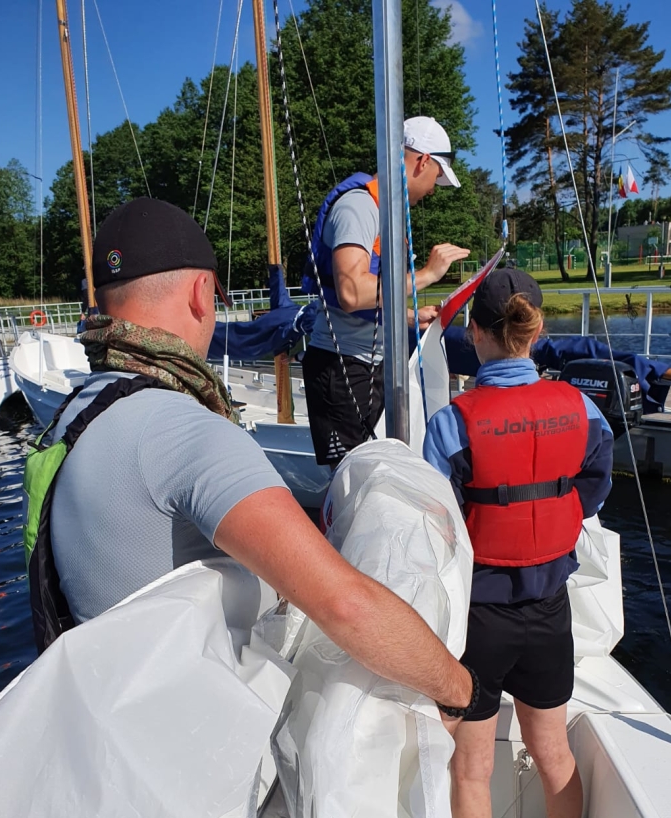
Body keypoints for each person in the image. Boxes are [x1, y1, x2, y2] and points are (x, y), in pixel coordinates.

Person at [30, 197, 477, 724]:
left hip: (105, 719)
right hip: (192, 748)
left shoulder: (73, 414)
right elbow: (345, 605)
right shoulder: (182, 428)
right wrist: (460, 687)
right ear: (202, 293)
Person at [423, 269, 614, 818]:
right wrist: (550, 519)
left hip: (481, 617)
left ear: (474, 333)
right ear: (534, 334)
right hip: (549, 609)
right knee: (551, 746)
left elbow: (437, 522)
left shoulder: (453, 423)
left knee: (473, 769)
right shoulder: (582, 408)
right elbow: (591, 488)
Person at [301, 116, 470, 467]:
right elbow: (350, 291)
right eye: (436, 175)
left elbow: (369, 298)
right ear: (422, 161)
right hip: (342, 367)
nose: (434, 188)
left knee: (374, 474)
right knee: (350, 483)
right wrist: (426, 275)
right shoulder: (359, 207)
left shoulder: (386, 213)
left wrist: (409, 317)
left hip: (367, 363)